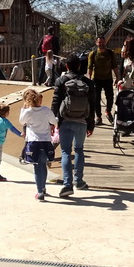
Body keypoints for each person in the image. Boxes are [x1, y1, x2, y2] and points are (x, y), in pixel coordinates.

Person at [50, 53, 97, 198]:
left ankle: (67, 184)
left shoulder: (61, 81)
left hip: (65, 121)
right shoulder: (88, 83)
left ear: (67, 66)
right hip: (82, 121)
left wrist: (53, 121)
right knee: (79, 150)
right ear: (79, 66)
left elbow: (56, 102)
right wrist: (91, 124)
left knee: (65, 152)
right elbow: (92, 104)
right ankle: (80, 181)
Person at [19, 87, 57, 202]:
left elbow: (21, 121)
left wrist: (24, 108)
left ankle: (39, 191)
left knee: (36, 166)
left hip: (33, 142)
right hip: (45, 140)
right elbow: (54, 121)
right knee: (43, 164)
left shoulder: (27, 111)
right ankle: (43, 187)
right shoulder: (46, 110)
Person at [87, 35, 116, 125]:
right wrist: (89, 80)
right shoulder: (93, 54)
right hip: (96, 79)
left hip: (108, 78)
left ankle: (108, 111)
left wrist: (117, 78)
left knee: (110, 97)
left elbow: (115, 66)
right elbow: (90, 67)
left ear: (105, 42)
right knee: (96, 99)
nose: (101, 44)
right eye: (99, 42)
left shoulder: (111, 53)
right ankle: (98, 117)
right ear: (96, 43)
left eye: (103, 42)